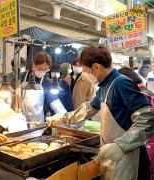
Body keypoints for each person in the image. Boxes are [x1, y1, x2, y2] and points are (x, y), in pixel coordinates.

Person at [48, 45, 154, 180]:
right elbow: (89, 108)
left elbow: (147, 119)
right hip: (114, 157)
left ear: (96, 67)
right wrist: (63, 118)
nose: (85, 75)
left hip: (130, 158)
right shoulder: (105, 86)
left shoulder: (121, 84)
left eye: (85, 70)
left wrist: (121, 145)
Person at [21, 52, 68, 122]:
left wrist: (62, 114)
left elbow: (54, 100)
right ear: (34, 65)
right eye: (40, 69)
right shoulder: (22, 77)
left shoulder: (46, 82)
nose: (42, 72)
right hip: (20, 120)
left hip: (37, 123)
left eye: (45, 70)